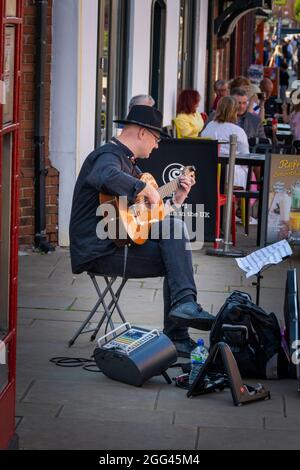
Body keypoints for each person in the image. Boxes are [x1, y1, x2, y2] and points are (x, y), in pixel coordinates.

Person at [69, 105, 215, 358]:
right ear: (142, 133)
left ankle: (181, 322)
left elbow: (146, 219)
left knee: (175, 250)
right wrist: (142, 188)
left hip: (115, 243)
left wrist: (176, 199)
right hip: (97, 250)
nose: (157, 146)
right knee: (176, 251)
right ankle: (181, 321)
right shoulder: (108, 156)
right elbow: (104, 175)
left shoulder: (129, 163)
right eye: (157, 139)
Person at [201, 96, 250, 189]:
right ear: (235, 111)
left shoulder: (209, 127)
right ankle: (240, 202)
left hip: (208, 174)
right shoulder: (238, 131)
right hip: (231, 176)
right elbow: (245, 157)